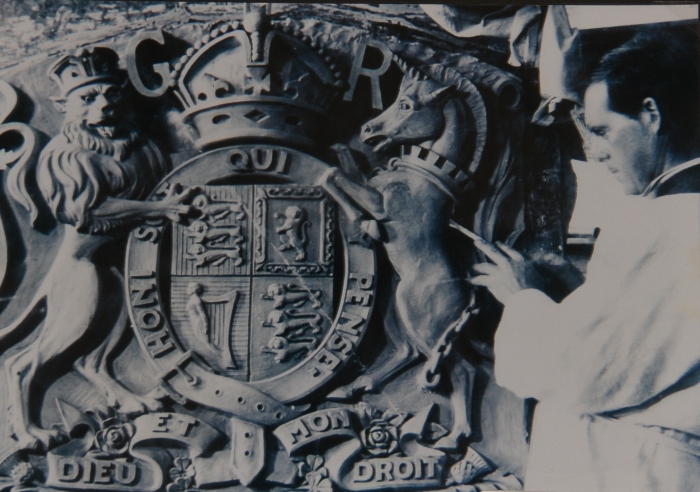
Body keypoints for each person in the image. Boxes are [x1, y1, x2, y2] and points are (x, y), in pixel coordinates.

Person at [470, 30, 700, 491]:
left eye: (602, 130)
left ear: (650, 114)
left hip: (635, 469)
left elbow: (581, 371)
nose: (596, 151)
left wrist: (523, 297)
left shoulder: (660, 222)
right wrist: (578, 299)